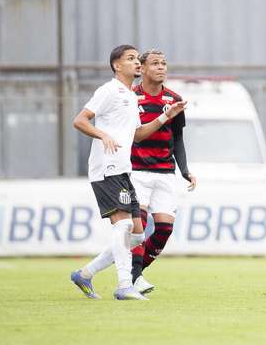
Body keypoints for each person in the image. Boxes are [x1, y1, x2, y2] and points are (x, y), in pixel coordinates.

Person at [69, 45, 186, 301]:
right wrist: (102, 135)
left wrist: (166, 116)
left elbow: (139, 135)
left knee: (136, 236)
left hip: (124, 169)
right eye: (131, 59)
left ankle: (85, 274)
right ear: (117, 65)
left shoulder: (131, 97)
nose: (136, 62)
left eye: (136, 58)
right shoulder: (109, 90)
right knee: (123, 225)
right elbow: (80, 120)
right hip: (106, 168)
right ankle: (124, 285)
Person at [129, 49, 196, 294]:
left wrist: (185, 170)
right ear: (142, 68)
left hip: (165, 173)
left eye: (164, 63)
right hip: (137, 171)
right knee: (138, 225)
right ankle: (134, 278)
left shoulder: (174, 99)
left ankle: (134, 273)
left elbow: (177, 138)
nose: (161, 67)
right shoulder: (131, 97)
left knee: (165, 229)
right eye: (155, 63)